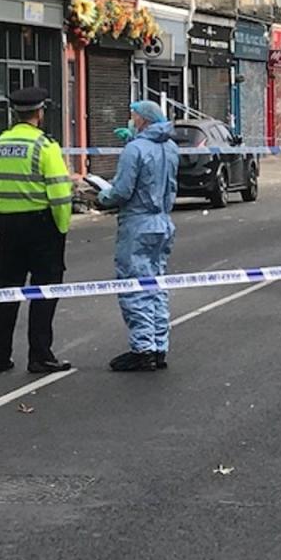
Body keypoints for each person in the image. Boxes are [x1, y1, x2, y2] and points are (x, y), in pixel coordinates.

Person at [0, 87, 72, 374]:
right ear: (39, 113)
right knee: (44, 291)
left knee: (6, 293)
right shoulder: (45, 147)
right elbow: (60, 195)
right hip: (42, 228)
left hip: (7, 228)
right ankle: (40, 355)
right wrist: (61, 228)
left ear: (15, 113)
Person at [98, 101, 179, 372]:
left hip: (138, 223)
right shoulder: (170, 147)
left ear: (143, 120)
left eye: (133, 117)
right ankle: (159, 346)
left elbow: (122, 190)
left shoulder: (134, 150)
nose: (131, 120)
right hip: (163, 222)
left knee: (134, 286)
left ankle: (142, 349)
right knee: (156, 285)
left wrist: (102, 196)